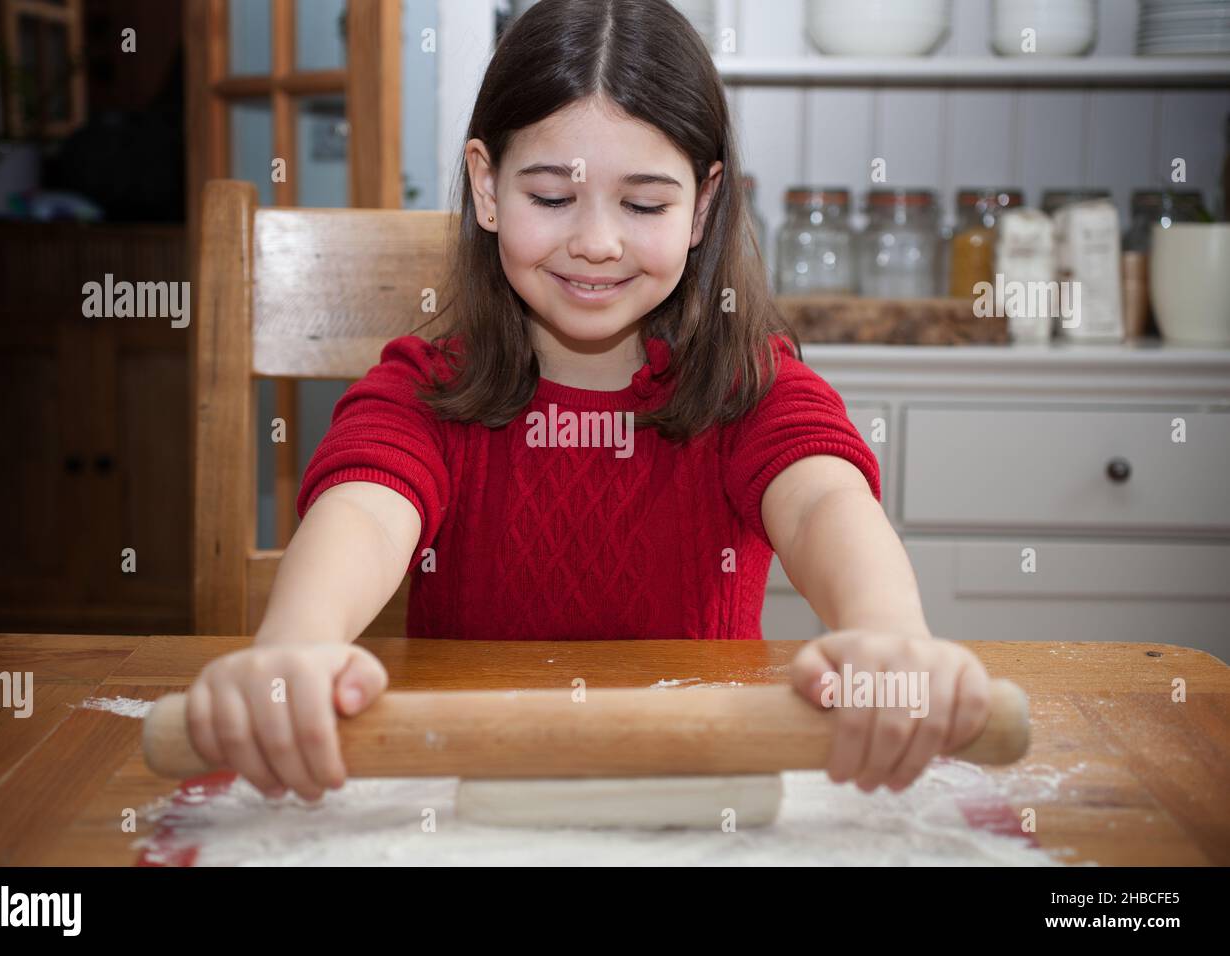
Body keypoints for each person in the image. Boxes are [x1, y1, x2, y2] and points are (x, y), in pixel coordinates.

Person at [186, 0, 991, 805]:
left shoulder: (747, 389)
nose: (598, 241)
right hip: (469, 809)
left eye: (643, 205)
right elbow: (363, 513)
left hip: (699, 809)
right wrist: (296, 646)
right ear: (487, 186)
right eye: (551, 197)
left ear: (703, 206)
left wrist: (887, 638)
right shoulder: (426, 395)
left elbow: (822, 502)